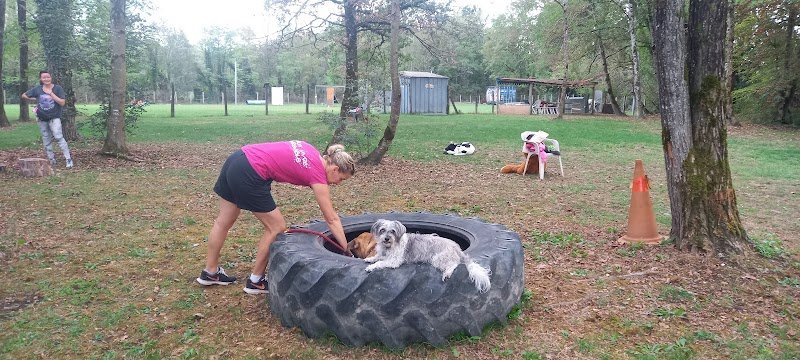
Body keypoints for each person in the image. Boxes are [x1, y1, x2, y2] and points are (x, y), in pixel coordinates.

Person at [197, 141, 356, 294]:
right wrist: (346, 250)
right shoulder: (317, 174)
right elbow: (332, 219)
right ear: (335, 169)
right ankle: (256, 281)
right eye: (341, 179)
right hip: (251, 172)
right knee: (276, 227)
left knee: (222, 222)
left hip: (237, 159)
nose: (339, 183)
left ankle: (210, 272)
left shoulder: (310, 149)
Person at [21, 71, 74, 169]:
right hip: (42, 118)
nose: (46, 79)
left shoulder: (58, 88)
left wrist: (51, 94)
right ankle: (51, 160)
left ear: (51, 77)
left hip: (54, 118)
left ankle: (68, 159)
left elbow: (62, 103)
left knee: (58, 137)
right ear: (41, 79)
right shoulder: (38, 89)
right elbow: (24, 95)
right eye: (44, 77)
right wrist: (36, 99)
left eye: (48, 77)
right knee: (46, 139)